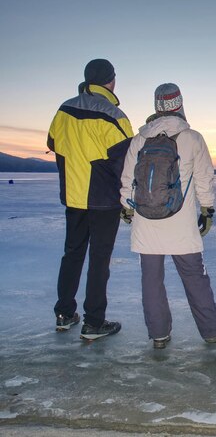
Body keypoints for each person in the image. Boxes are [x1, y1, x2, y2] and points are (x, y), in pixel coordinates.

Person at [120, 83, 216, 349]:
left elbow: (128, 179)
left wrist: (127, 207)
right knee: (194, 278)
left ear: (156, 106)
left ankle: (159, 335)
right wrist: (207, 209)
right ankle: (213, 330)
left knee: (151, 280)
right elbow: (203, 179)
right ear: (179, 105)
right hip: (180, 223)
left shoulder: (139, 139)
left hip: (146, 221)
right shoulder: (192, 138)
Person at [47, 59, 133, 341]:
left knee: (72, 253)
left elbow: (52, 143)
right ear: (111, 81)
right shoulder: (114, 115)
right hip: (103, 199)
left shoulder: (65, 109)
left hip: (73, 195)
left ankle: (64, 313)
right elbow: (126, 161)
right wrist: (128, 198)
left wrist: (75, 155)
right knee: (99, 260)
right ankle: (94, 322)